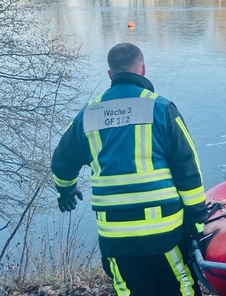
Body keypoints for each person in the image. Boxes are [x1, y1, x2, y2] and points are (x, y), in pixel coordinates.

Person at [51, 42, 206, 295]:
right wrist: (197, 221)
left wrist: (65, 191)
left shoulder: (88, 114)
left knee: (130, 290)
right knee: (181, 286)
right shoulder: (162, 108)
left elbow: (61, 162)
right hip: (164, 228)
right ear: (142, 70)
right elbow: (189, 171)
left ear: (110, 74)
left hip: (115, 232)